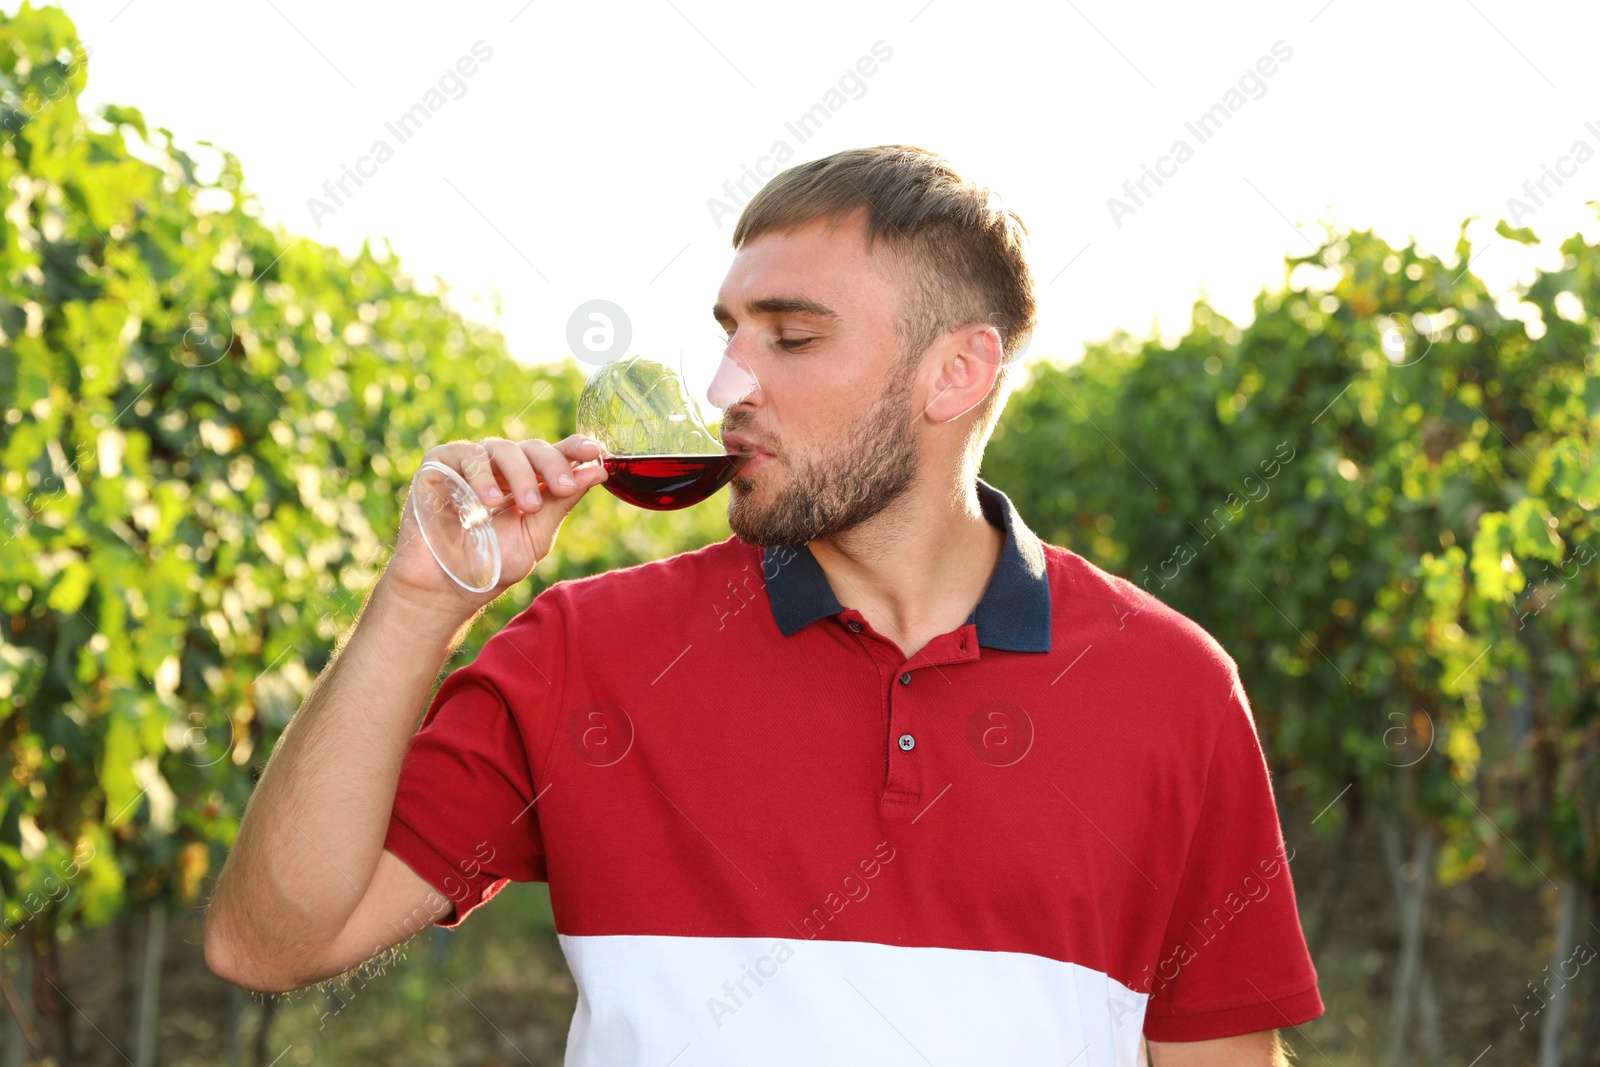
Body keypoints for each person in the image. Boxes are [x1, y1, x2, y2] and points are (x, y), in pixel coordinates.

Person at [204, 145, 1323, 1066]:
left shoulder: (1170, 684)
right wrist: (416, 600)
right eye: (729, 334)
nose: (727, 384)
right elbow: (270, 942)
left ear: (956, 372)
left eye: (789, 336)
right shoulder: (584, 648)